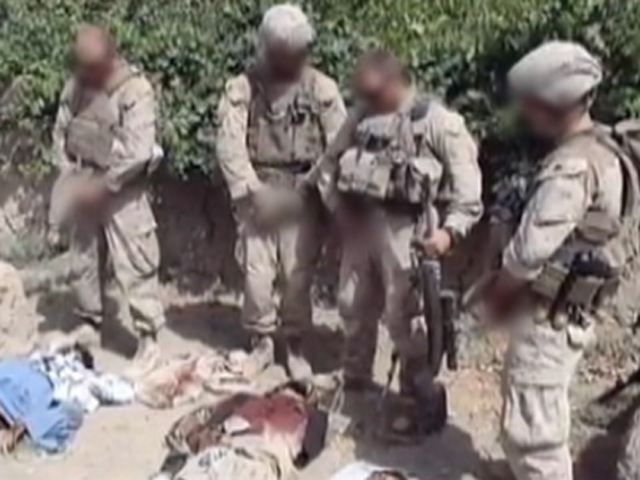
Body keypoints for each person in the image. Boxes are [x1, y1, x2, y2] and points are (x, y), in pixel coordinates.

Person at [483, 41, 637, 480]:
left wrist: (497, 294)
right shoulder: (606, 145)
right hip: (569, 309)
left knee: (533, 431)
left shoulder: (573, 166)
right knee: (535, 410)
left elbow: (527, 254)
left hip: (549, 315)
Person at [311, 50, 482, 433]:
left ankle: (417, 394)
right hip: (361, 228)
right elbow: (328, 166)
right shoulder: (360, 118)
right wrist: (339, 210)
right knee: (352, 305)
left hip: (409, 233)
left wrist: (448, 233)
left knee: (405, 317)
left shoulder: (437, 122)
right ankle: (356, 380)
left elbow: (469, 192)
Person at [215, 4, 346, 381]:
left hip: (302, 194)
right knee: (257, 276)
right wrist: (251, 190)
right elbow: (229, 146)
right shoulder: (243, 88)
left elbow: (339, 145)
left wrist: (322, 189)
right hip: (258, 191)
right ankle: (261, 341)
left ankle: (295, 343)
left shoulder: (321, 89)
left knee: (297, 275)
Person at [49, 25, 165, 378]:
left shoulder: (134, 89)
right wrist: (69, 173)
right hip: (84, 179)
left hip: (122, 191)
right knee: (82, 257)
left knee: (135, 261)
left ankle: (148, 339)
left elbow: (138, 150)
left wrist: (107, 183)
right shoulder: (76, 87)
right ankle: (89, 322)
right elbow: (61, 133)